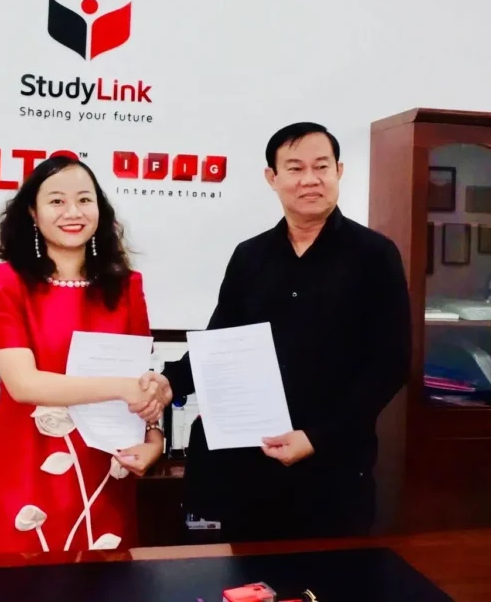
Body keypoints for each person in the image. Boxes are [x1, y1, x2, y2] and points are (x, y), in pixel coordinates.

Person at [149, 122, 411, 542]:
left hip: (335, 468)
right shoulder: (250, 256)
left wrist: (316, 437)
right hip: (251, 464)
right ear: (272, 177)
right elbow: (219, 344)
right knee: (247, 574)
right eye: (295, 168)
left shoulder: (375, 255)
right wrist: (168, 383)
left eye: (321, 166)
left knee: (335, 574)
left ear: (339, 171)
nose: (310, 179)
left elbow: (391, 364)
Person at [0, 155, 165, 556]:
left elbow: (137, 383)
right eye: (56, 201)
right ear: (33, 213)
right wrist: (122, 388)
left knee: (101, 580)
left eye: (84, 200)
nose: (73, 212)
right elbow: (24, 385)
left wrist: (154, 435)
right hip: (24, 466)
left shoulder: (126, 287)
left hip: (104, 467)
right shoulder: (8, 282)